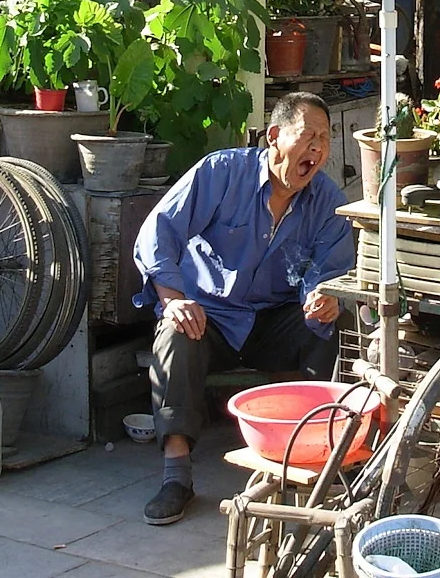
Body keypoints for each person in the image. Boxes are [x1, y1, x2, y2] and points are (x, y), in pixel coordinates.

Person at [133, 91, 354, 525]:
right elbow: (157, 233)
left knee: (328, 325)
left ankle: (303, 453)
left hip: (272, 318)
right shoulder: (221, 173)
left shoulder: (327, 201)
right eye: (307, 137)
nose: (318, 150)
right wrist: (174, 299)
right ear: (274, 136)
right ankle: (176, 475)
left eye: (325, 140)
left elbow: (332, 268)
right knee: (176, 332)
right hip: (209, 315)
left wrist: (324, 297)